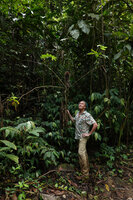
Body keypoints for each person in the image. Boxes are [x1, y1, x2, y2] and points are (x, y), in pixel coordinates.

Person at [67, 101, 98, 177]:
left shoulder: (87, 115)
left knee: (81, 153)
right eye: (79, 103)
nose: (80, 104)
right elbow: (73, 120)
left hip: (83, 137)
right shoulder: (78, 113)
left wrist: (89, 133)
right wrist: (68, 113)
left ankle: (85, 174)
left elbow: (95, 124)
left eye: (82, 104)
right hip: (78, 136)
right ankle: (85, 170)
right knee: (83, 153)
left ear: (85, 107)